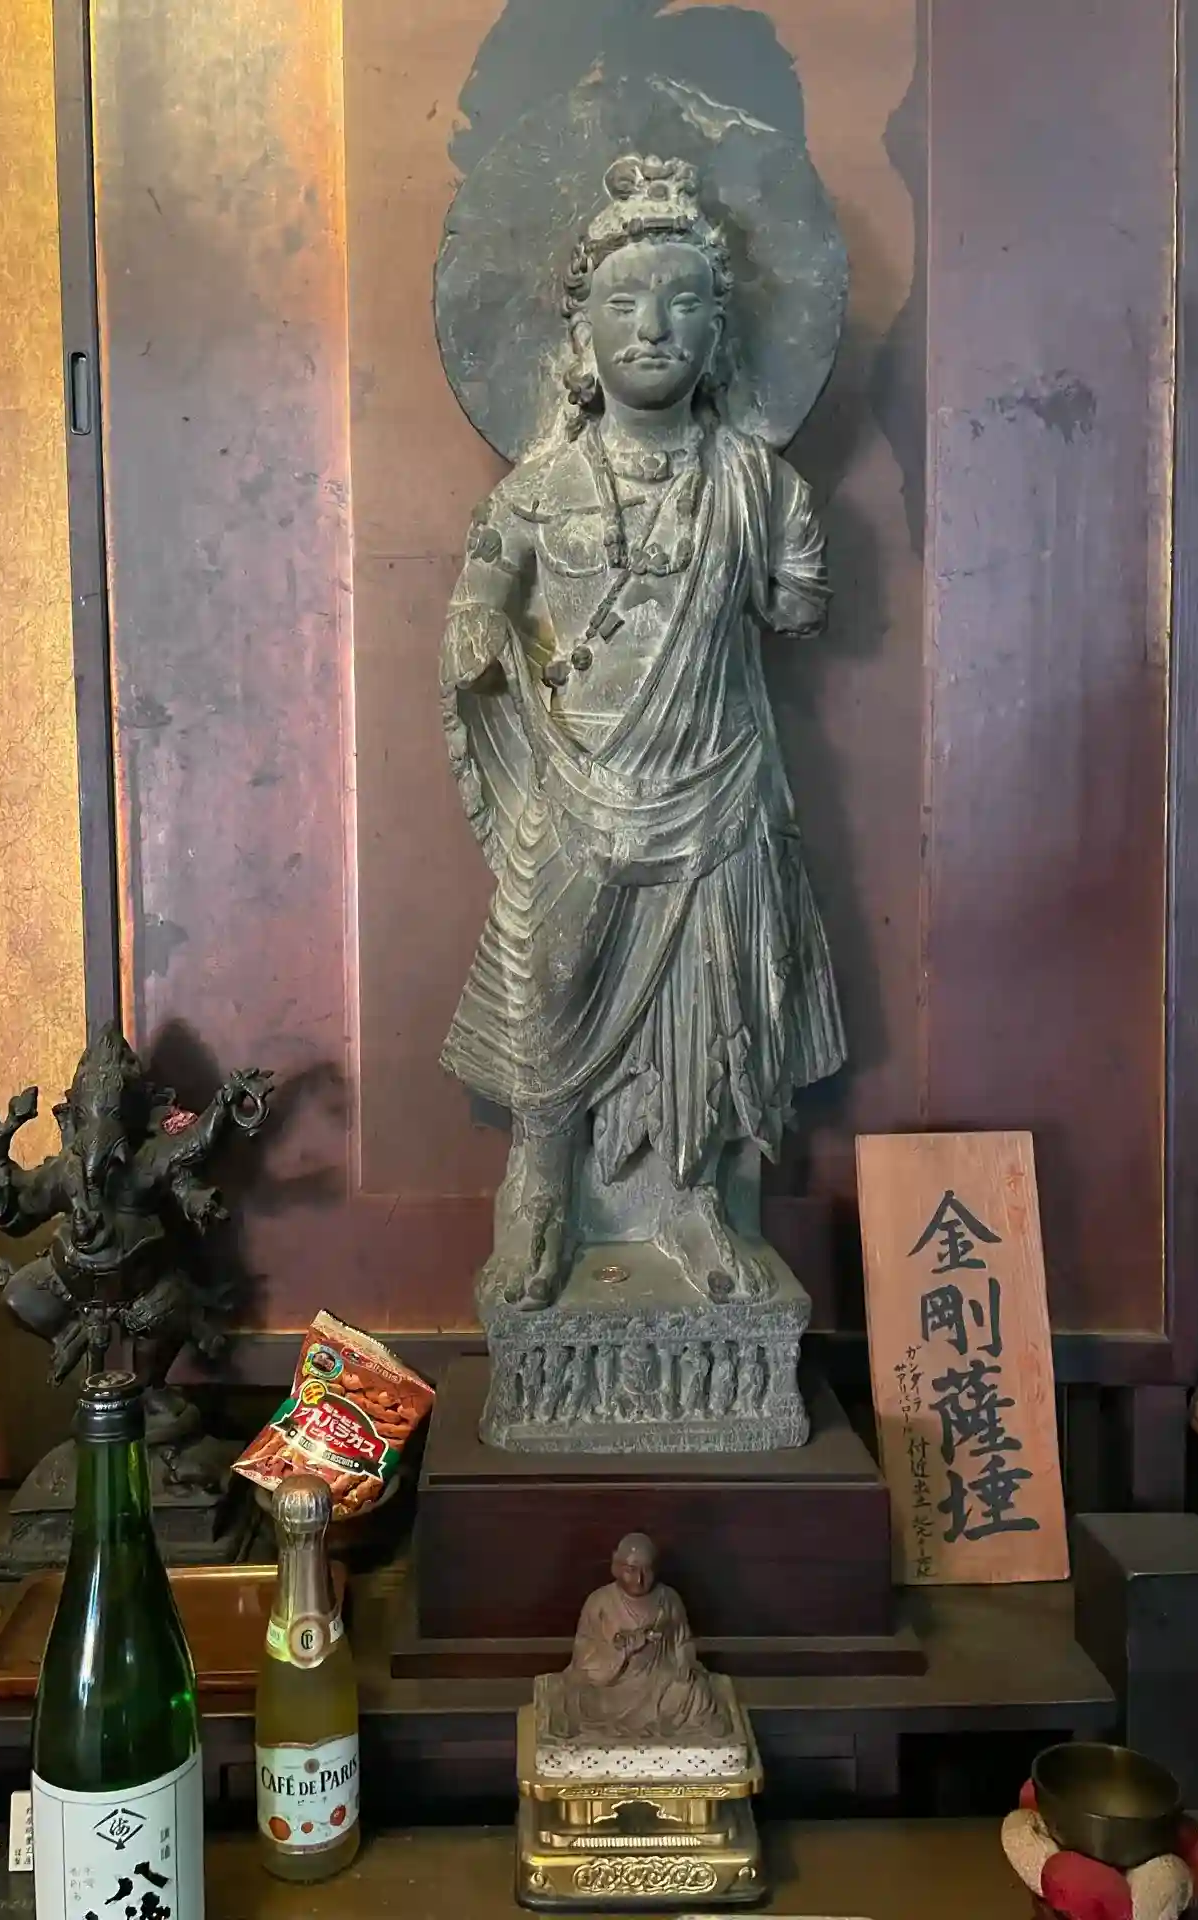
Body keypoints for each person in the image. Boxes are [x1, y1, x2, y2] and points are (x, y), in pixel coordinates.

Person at [440, 154, 844, 1310]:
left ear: (721, 332)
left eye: (683, 302)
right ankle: (539, 1190)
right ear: (581, 333)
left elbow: (800, 604)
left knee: (710, 998)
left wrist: (793, 577)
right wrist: (477, 621)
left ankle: (697, 1201)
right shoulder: (538, 488)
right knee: (553, 984)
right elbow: (485, 583)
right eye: (625, 302)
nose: (654, 327)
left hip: (717, 781)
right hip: (578, 784)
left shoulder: (759, 485)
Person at [544, 1533, 726, 1740]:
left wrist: (683, 1661)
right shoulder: (599, 1601)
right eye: (631, 1570)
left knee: (695, 1691)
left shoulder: (668, 1599)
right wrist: (620, 1650)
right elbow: (582, 1652)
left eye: (646, 1570)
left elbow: (682, 1641)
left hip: (658, 1680)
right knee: (578, 1693)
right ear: (616, 1566)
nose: (639, 1579)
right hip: (612, 1684)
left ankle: (701, 1718)